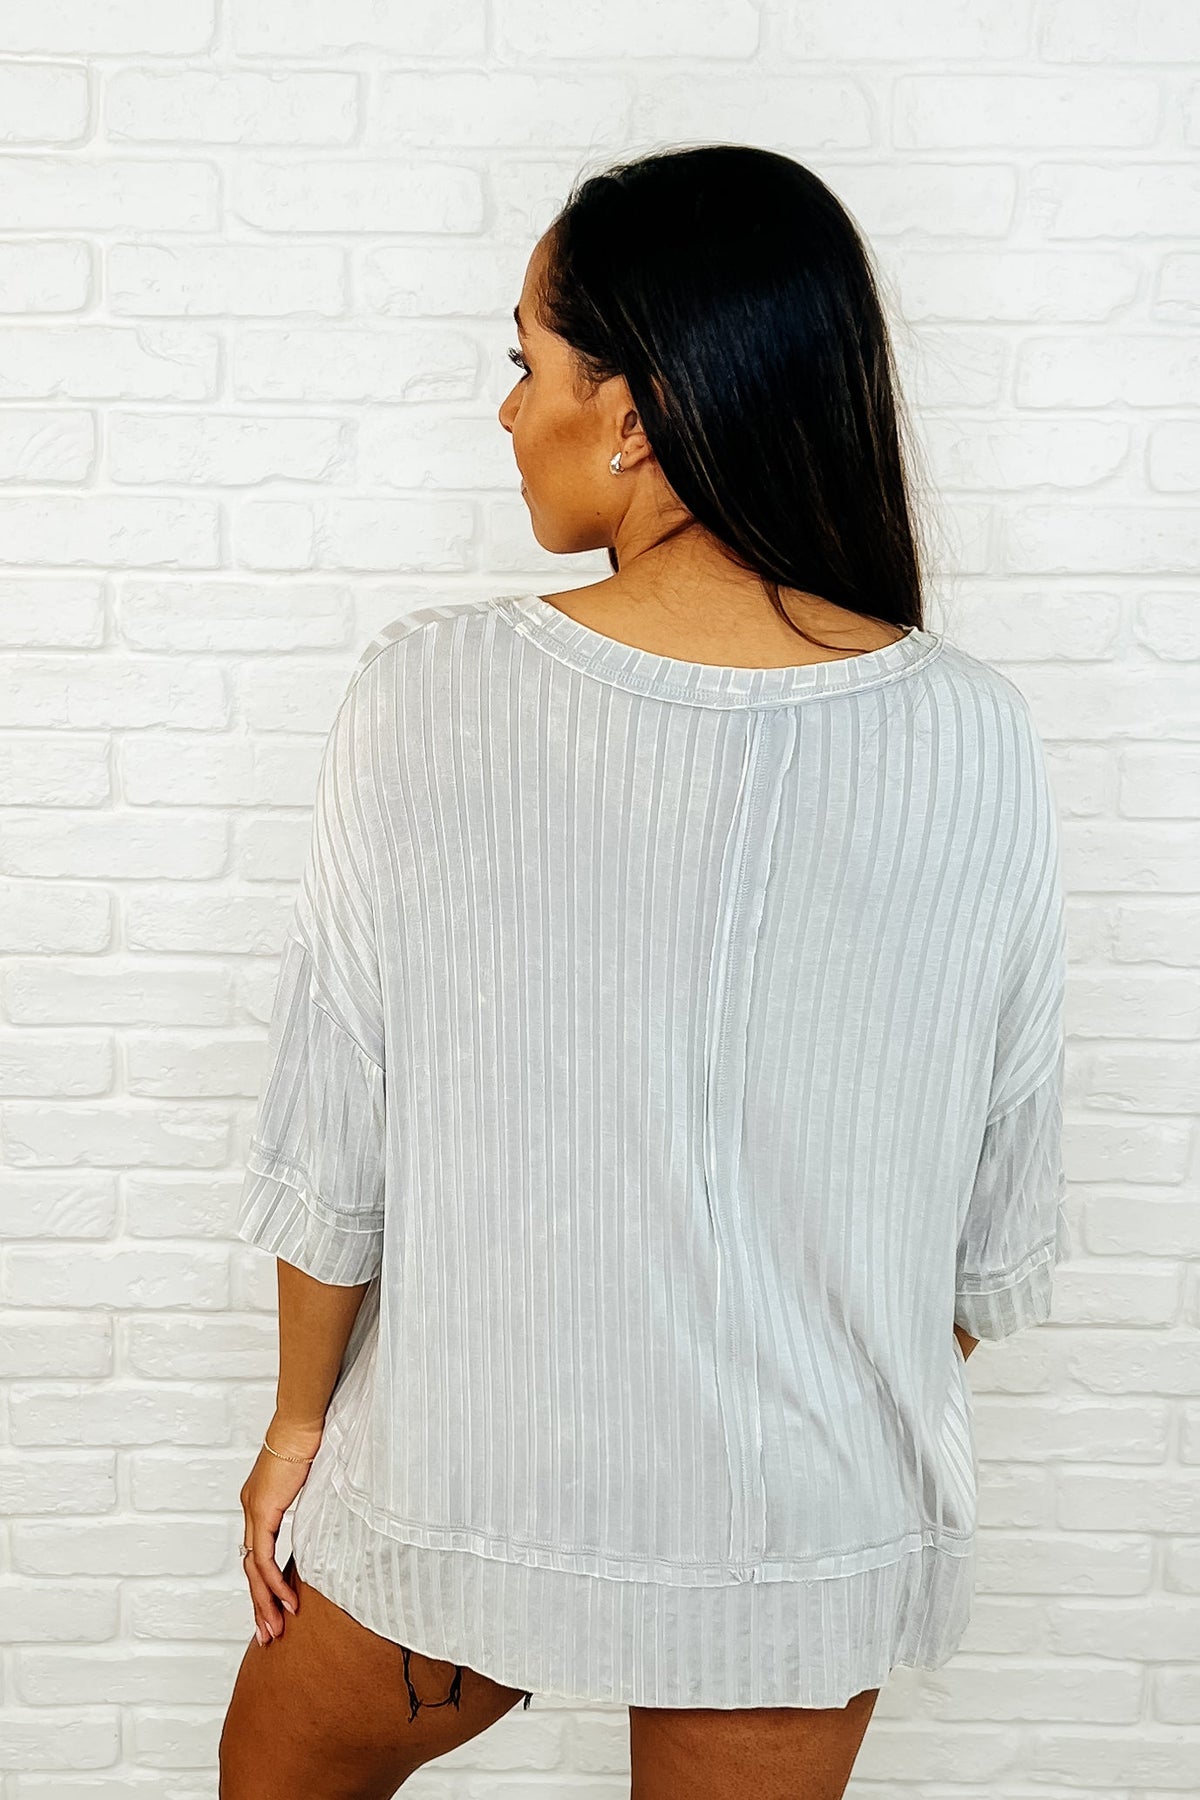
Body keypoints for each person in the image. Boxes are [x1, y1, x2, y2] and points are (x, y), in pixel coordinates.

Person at [218, 144, 1069, 1799]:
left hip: (471, 1479)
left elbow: (335, 1142)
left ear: (631, 412)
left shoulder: (430, 690)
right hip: (798, 1525)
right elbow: (991, 1228)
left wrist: (298, 1424)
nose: (506, 409)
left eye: (525, 361)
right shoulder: (978, 733)